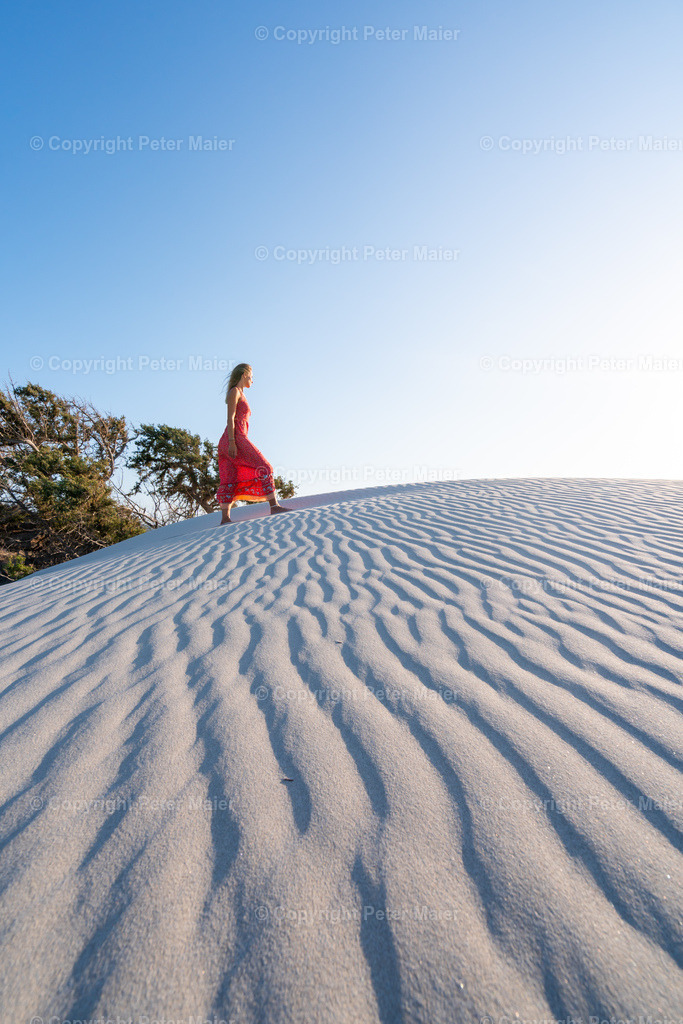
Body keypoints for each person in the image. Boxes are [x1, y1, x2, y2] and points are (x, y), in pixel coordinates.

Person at [216, 363, 288, 525]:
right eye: (251, 376)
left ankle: (225, 518)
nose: (252, 380)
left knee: (230, 476)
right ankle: (274, 506)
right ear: (244, 375)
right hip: (234, 438)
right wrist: (233, 442)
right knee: (265, 467)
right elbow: (230, 418)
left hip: (233, 439)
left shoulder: (241, 393)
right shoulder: (235, 392)